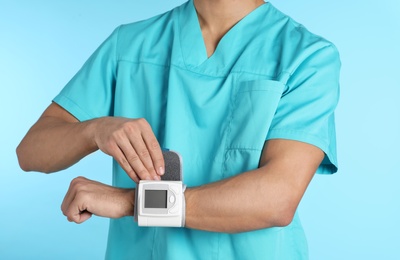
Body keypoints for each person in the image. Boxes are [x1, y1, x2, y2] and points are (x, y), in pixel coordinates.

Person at [17, 0, 341, 259]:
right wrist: (95, 130)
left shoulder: (307, 57)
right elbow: (31, 151)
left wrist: (133, 202)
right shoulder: (129, 46)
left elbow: (277, 198)